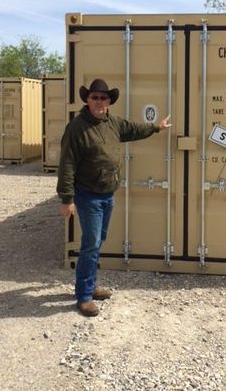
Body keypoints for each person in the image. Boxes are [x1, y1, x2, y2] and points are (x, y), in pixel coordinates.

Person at [57, 78, 171, 317]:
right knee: (91, 243)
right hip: (87, 195)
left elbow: (133, 129)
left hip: (107, 194)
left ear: (109, 102)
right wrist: (67, 198)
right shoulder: (77, 127)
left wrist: (156, 127)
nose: (99, 102)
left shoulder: (113, 123)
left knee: (98, 241)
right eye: (95, 97)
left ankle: (89, 285)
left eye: (103, 98)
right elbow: (66, 164)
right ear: (87, 100)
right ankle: (84, 297)